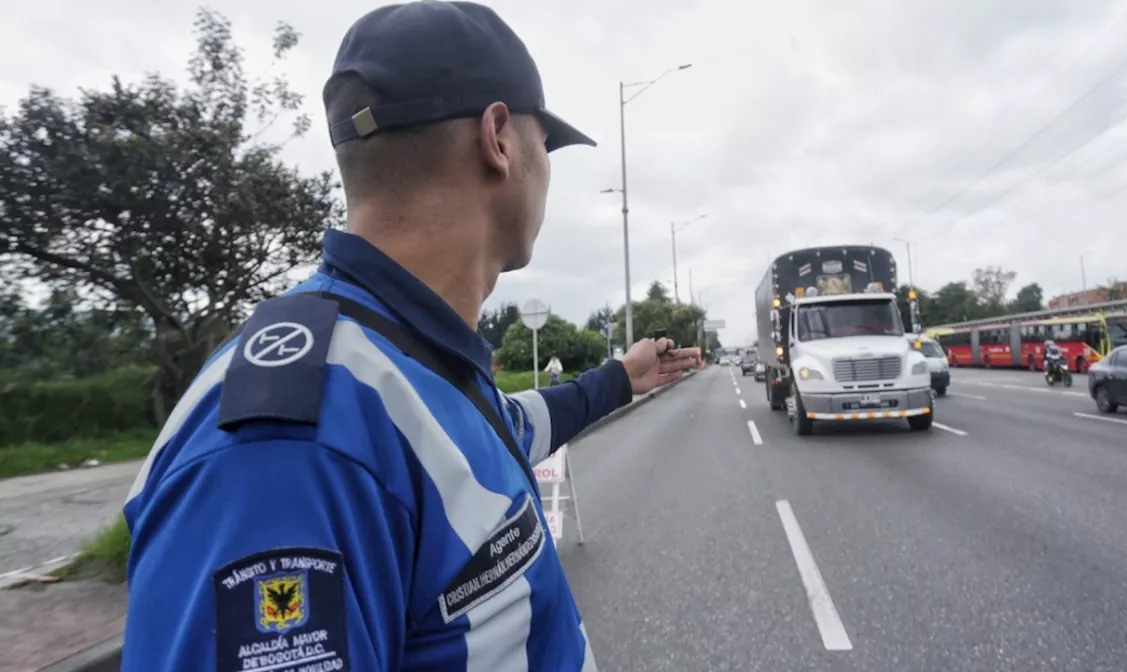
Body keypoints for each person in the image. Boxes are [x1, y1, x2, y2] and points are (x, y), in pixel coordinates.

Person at [118, 2, 700, 670]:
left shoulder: (409, 360)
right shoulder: (292, 445)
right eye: (548, 144)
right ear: (500, 138)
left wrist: (623, 378)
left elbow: (505, 428)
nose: (548, 170)